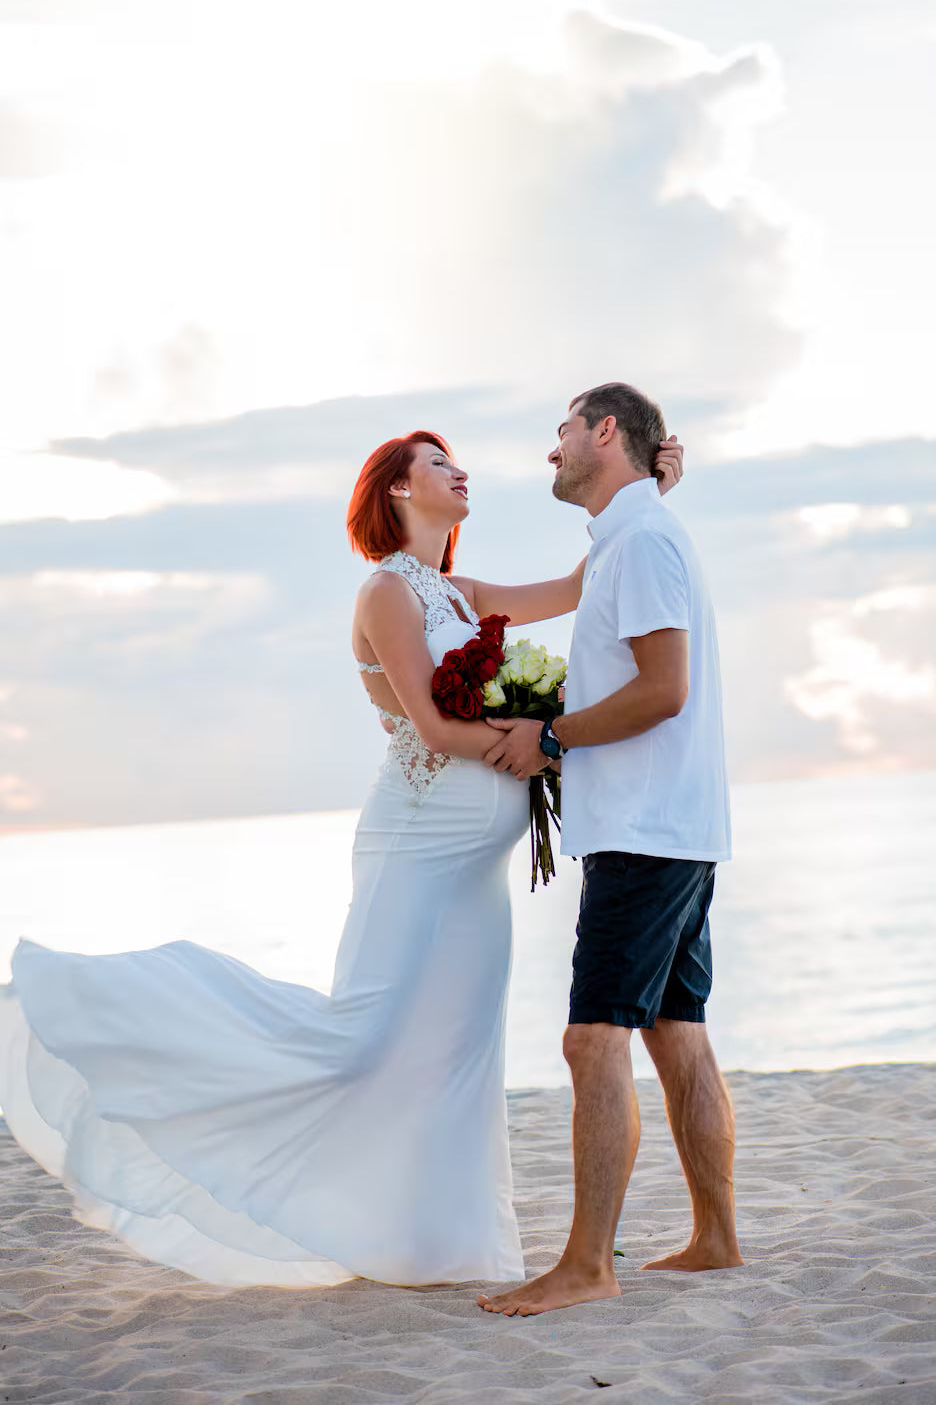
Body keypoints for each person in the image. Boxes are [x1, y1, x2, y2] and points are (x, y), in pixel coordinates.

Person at [0, 423, 684, 1289]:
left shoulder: (461, 592)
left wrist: (650, 491)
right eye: (439, 463)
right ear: (398, 489)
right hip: (416, 850)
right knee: (361, 1040)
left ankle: (440, 1247)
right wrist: (540, 740)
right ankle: (127, 1026)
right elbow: (434, 729)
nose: (460, 470)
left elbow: (584, 584)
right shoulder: (385, 595)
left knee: (459, 1050)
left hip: (478, 875)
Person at [477, 383, 742, 1318]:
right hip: (670, 825)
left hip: (644, 830)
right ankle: (716, 1239)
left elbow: (662, 690)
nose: (551, 451)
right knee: (678, 1034)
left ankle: (588, 1263)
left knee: (593, 1038)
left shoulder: (642, 544)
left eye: (560, 433)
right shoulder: (634, 536)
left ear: (602, 433)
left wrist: (551, 738)